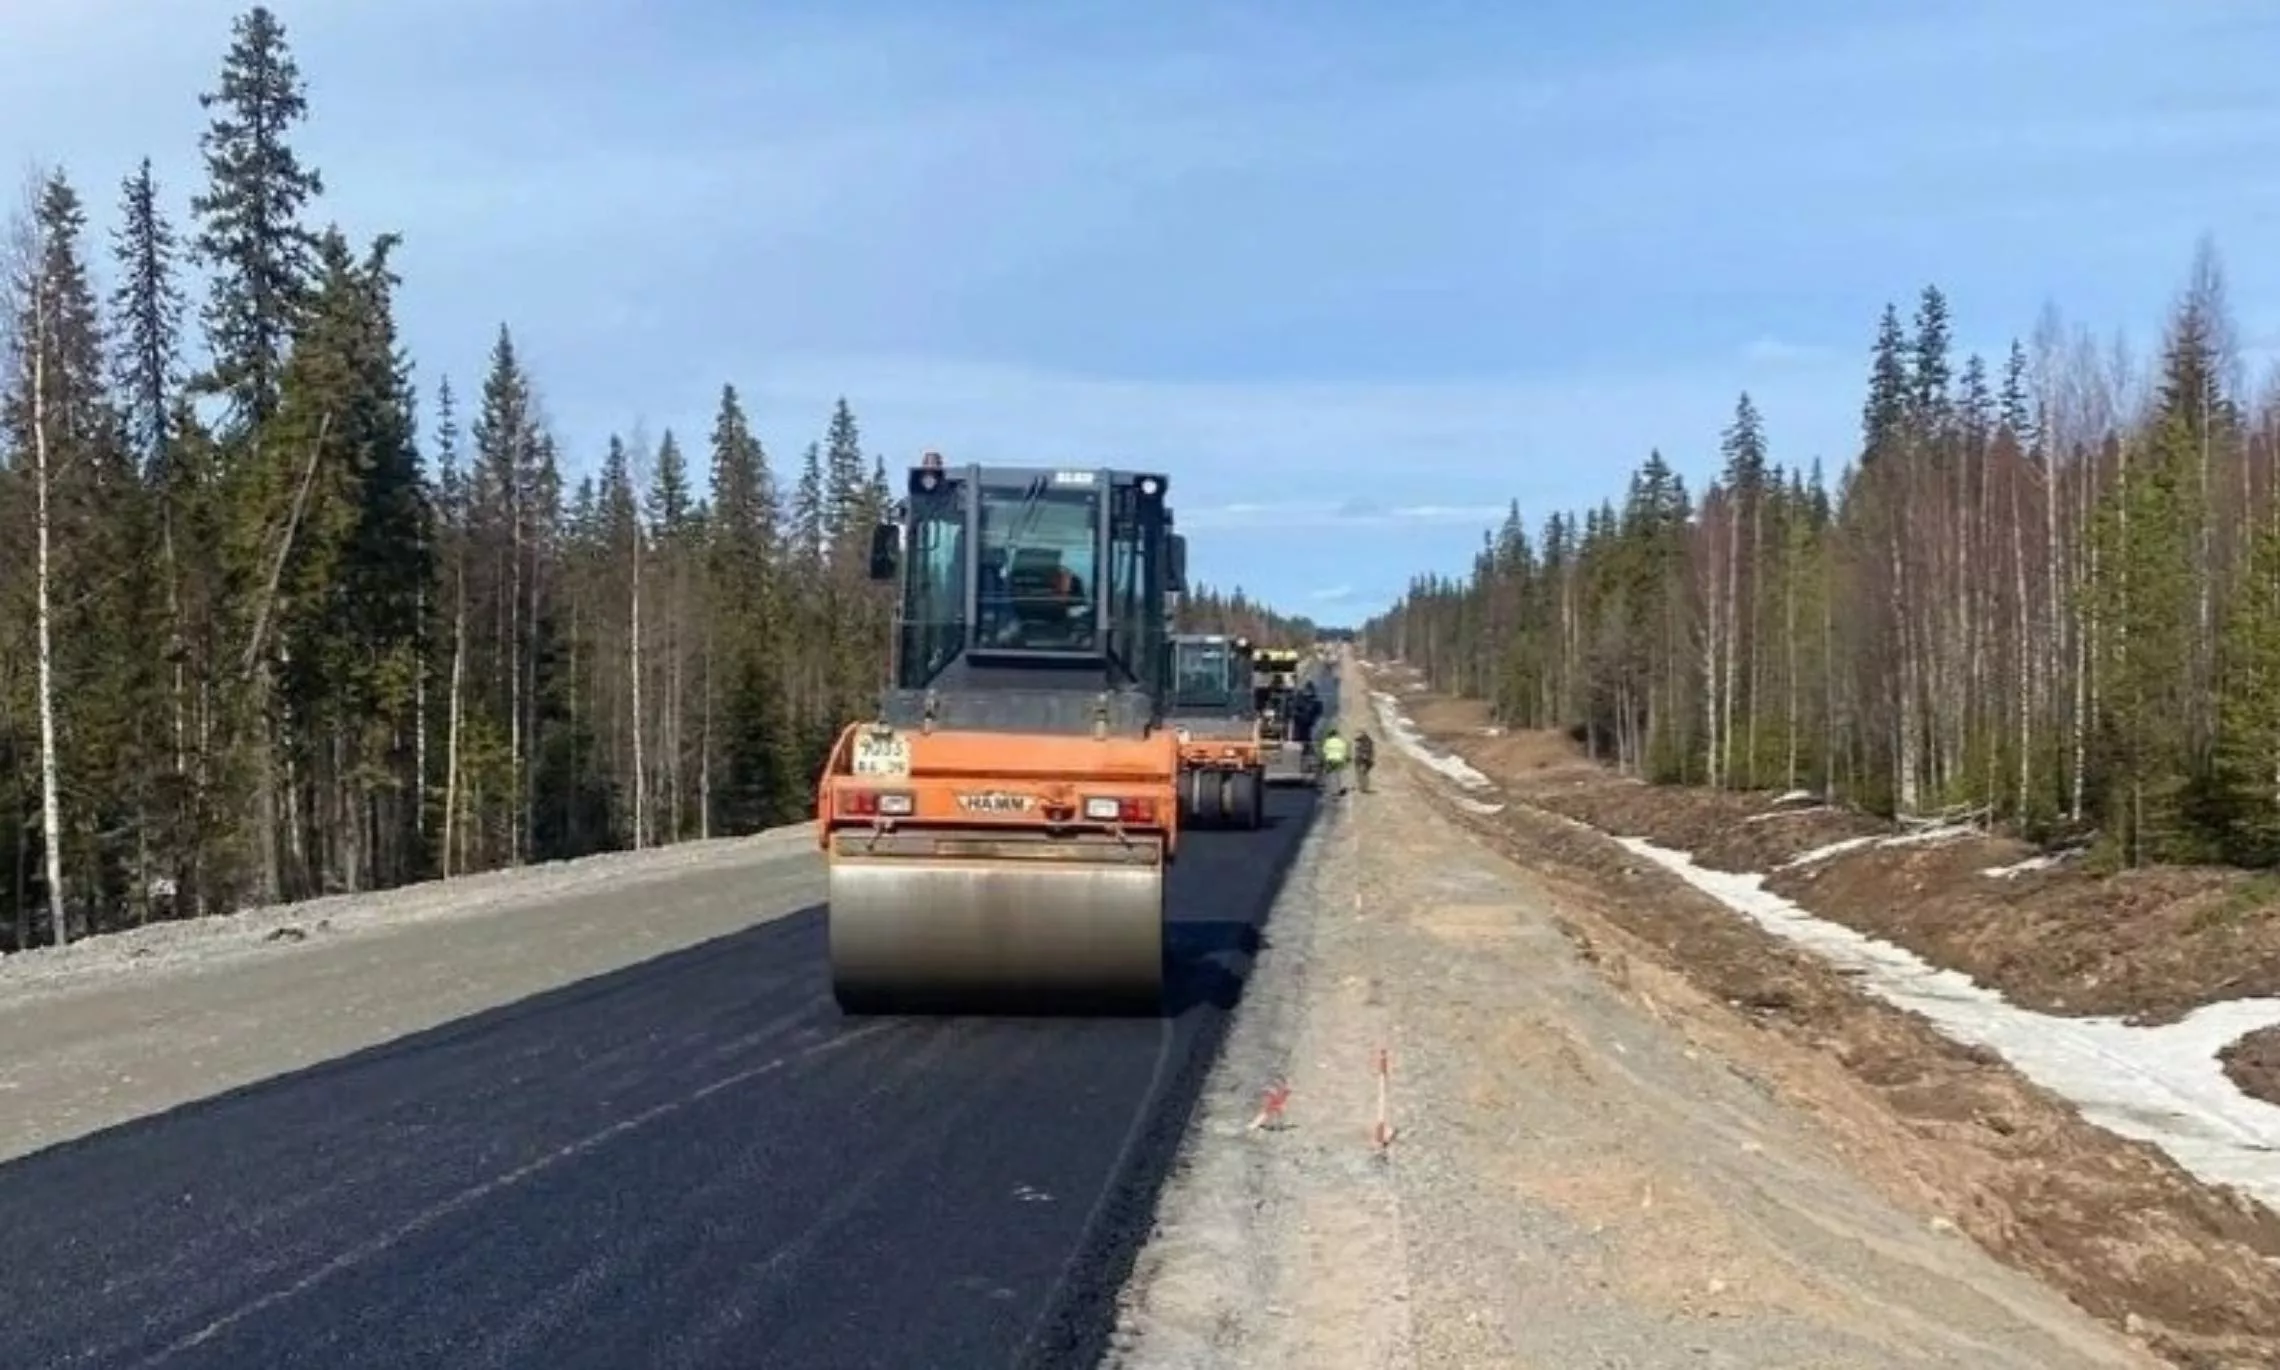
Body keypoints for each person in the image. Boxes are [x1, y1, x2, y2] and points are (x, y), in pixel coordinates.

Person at [1319, 727, 1350, 795]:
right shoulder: (1341, 741)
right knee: (1339, 774)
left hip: (1331, 760)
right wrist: (1346, 759)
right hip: (1339, 759)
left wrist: (1323, 761)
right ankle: (1341, 788)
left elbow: (1324, 752)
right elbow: (1344, 751)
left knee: (1331, 775)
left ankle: (1333, 790)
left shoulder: (1327, 742)